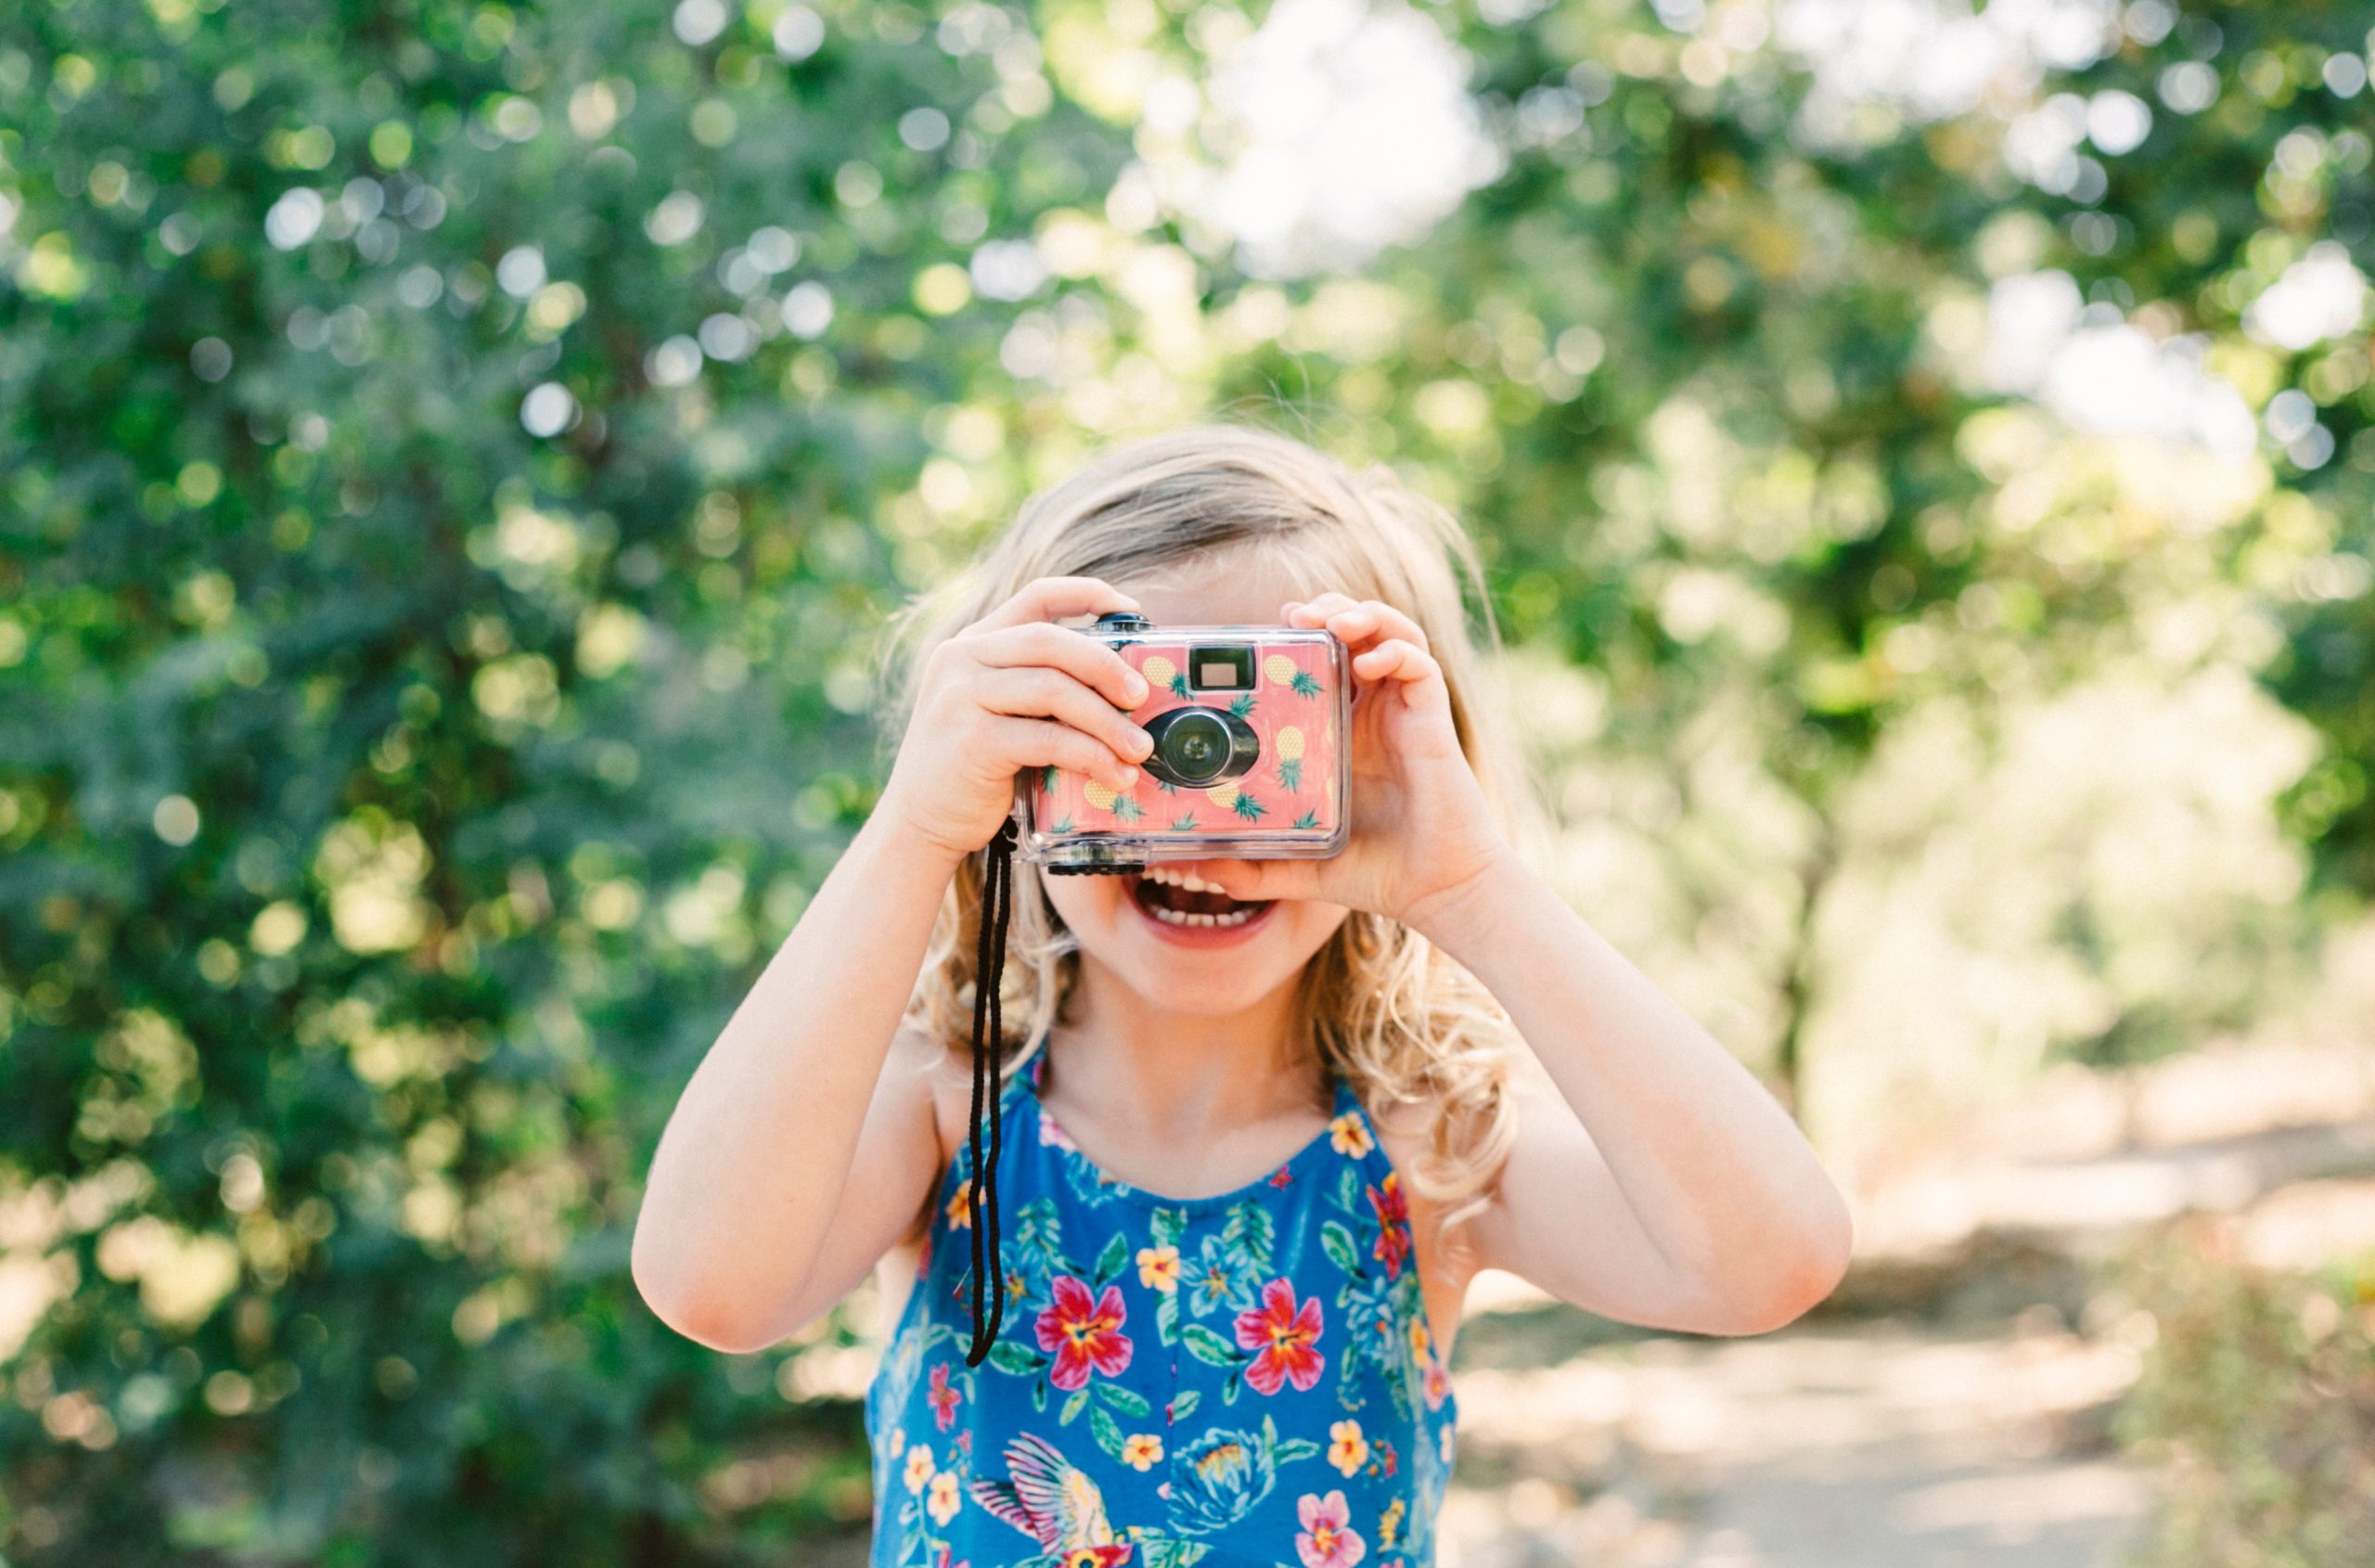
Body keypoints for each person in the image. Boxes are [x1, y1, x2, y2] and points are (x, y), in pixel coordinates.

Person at [631, 421, 1854, 1568]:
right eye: (1137, 726)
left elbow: (1774, 1263)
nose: (1204, 815)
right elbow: (708, 1286)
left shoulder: (1429, 1151)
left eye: (1266, 732)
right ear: (1018, 766)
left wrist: (1474, 887)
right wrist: (914, 830)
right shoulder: (947, 1115)